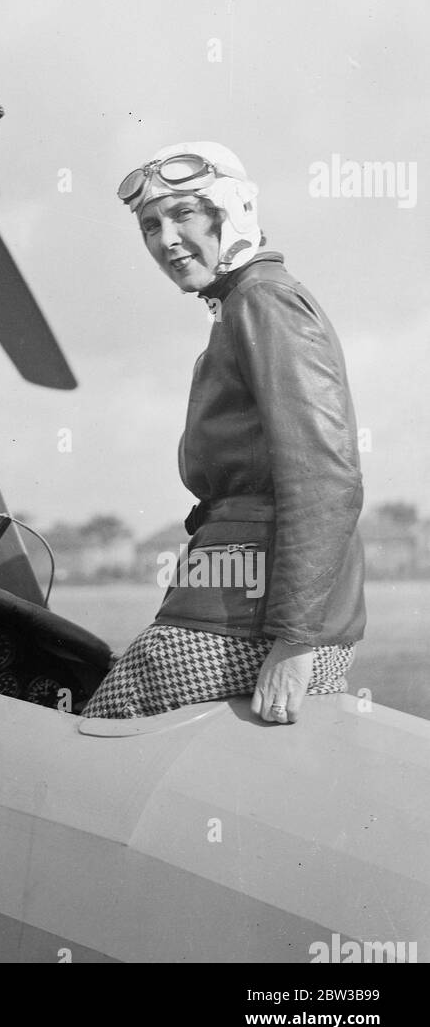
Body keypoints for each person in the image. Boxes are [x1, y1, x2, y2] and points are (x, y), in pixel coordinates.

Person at [82, 142, 365, 725]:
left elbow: (325, 475)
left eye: (183, 214)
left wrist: (295, 640)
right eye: (150, 225)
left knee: (98, 736)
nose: (166, 239)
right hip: (248, 599)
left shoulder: (264, 299)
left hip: (251, 615)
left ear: (231, 210)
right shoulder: (241, 303)